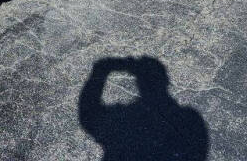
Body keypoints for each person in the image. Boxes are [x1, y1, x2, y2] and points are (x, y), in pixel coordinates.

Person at [78, 56, 209, 160]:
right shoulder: (190, 118)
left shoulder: (123, 119)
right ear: (166, 81)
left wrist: (102, 69)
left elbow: (89, 114)